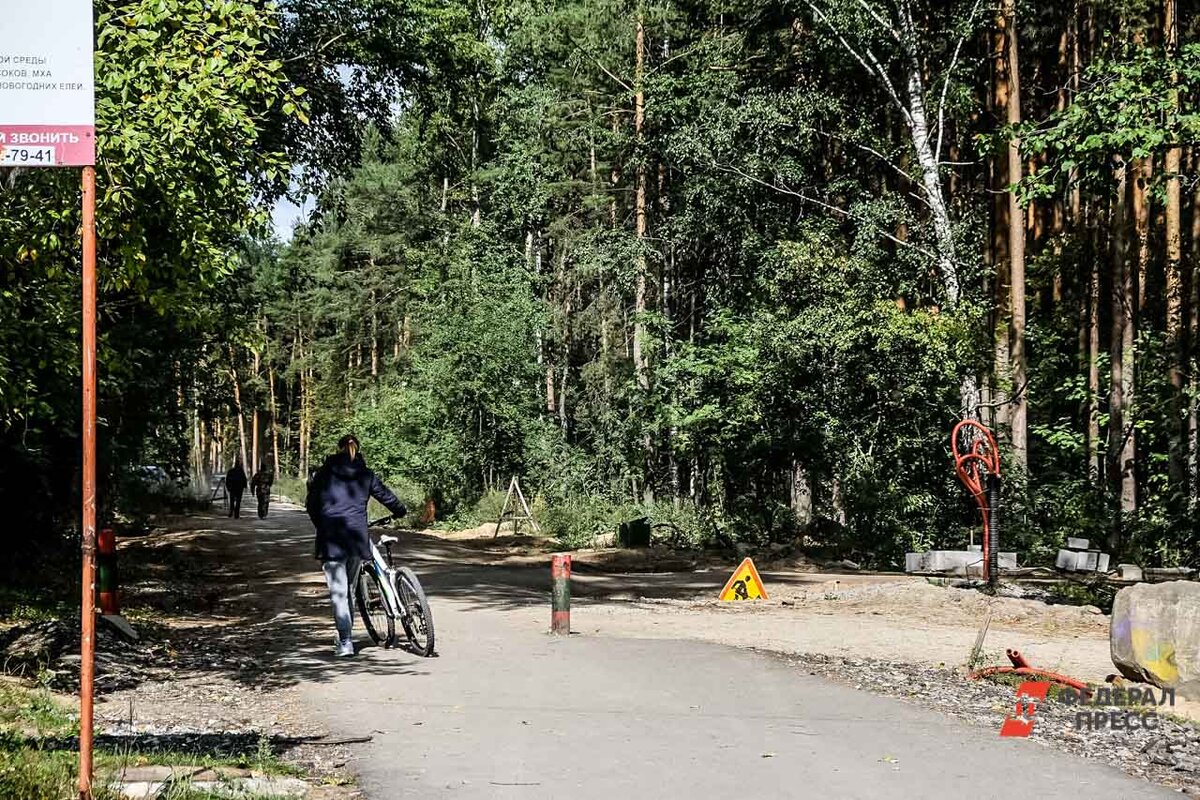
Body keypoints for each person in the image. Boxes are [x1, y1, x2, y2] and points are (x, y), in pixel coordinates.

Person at [306, 435, 406, 657]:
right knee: (348, 590)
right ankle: (346, 637)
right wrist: (400, 511)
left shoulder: (324, 474)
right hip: (356, 539)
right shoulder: (366, 475)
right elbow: (387, 497)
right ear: (357, 450)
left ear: (338, 450)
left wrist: (321, 525)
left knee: (339, 592)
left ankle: (345, 642)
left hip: (331, 539)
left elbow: (311, 504)